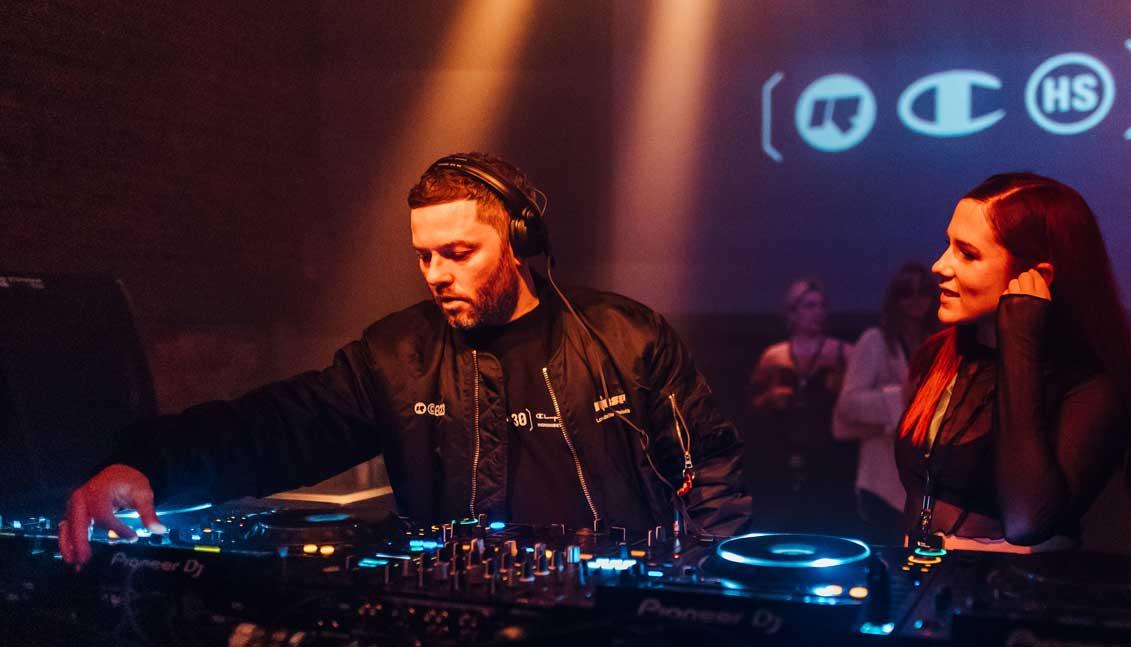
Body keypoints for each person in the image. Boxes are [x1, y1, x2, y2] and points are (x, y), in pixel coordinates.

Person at [59, 152, 751, 566]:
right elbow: (273, 427)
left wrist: (686, 588)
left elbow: (713, 468)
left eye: (458, 252)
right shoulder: (396, 354)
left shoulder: (626, 336)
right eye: (423, 254)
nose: (436, 273)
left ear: (519, 244)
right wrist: (146, 461)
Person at [895, 172, 1131, 552]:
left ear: (1037, 276)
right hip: (926, 587)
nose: (940, 265)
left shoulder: (1090, 387)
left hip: (1020, 600)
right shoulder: (942, 356)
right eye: (948, 245)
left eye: (968, 254)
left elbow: (1028, 520)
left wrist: (1019, 343)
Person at [833, 262, 939, 543]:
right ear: (895, 298)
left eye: (924, 291)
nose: (916, 299)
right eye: (907, 292)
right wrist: (900, 396)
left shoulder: (939, 342)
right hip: (881, 482)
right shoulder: (875, 341)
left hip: (923, 483)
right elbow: (849, 404)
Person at [749, 279, 853, 534]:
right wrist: (772, 397)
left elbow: (855, 403)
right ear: (792, 312)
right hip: (783, 451)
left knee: (827, 525)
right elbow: (752, 406)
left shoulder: (843, 352)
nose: (818, 312)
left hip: (830, 453)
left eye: (821, 306)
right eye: (809, 306)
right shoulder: (774, 355)